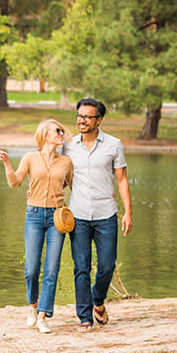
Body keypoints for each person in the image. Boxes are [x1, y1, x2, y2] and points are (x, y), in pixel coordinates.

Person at [0, 119, 73, 334]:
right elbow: (15, 182)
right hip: (34, 216)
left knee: (52, 268)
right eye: (57, 130)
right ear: (45, 135)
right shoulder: (30, 158)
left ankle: (44, 316)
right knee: (31, 269)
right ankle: (33, 306)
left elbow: (73, 187)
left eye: (61, 131)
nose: (61, 133)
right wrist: (7, 163)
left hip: (57, 217)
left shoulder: (66, 162)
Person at [63, 98, 133, 332]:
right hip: (79, 215)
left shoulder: (113, 145)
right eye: (79, 116)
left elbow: (121, 179)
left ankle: (98, 300)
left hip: (106, 214)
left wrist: (128, 212)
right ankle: (84, 317)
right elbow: (60, 176)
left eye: (87, 117)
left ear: (99, 120)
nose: (81, 121)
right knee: (81, 266)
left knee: (106, 266)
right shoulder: (69, 146)